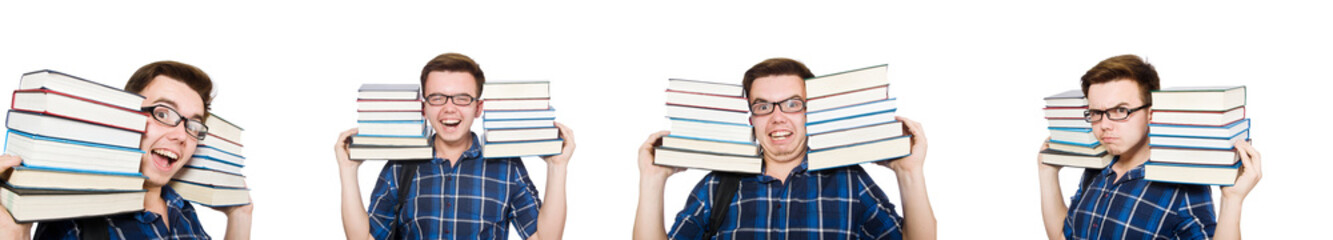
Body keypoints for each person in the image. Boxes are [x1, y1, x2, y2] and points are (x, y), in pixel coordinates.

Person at [634, 58, 937, 239]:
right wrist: (652, 179)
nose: (777, 117)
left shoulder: (849, 181)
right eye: (763, 106)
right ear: (751, 117)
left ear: (812, 111)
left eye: (792, 104)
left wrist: (910, 172)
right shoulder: (718, 185)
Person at [0, 60, 254, 239]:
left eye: (193, 125)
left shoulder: (183, 210)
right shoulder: (74, 220)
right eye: (163, 113)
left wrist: (240, 215)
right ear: (124, 118)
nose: (180, 136)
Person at [335, 53, 573, 240]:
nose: (449, 108)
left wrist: (557, 166)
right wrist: (347, 170)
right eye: (437, 98)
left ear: (478, 108)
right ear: (424, 108)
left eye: (462, 98)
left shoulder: (507, 166)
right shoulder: (399, 166)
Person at [1037, 54, 1262, 239]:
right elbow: (1063, 236)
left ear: (1151, 113)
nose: (1104, 125)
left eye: (1120, 111)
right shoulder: (1095, 171)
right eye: (1096, 113)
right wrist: (1047, 171)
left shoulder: (1182, 185)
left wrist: (1232, 201)